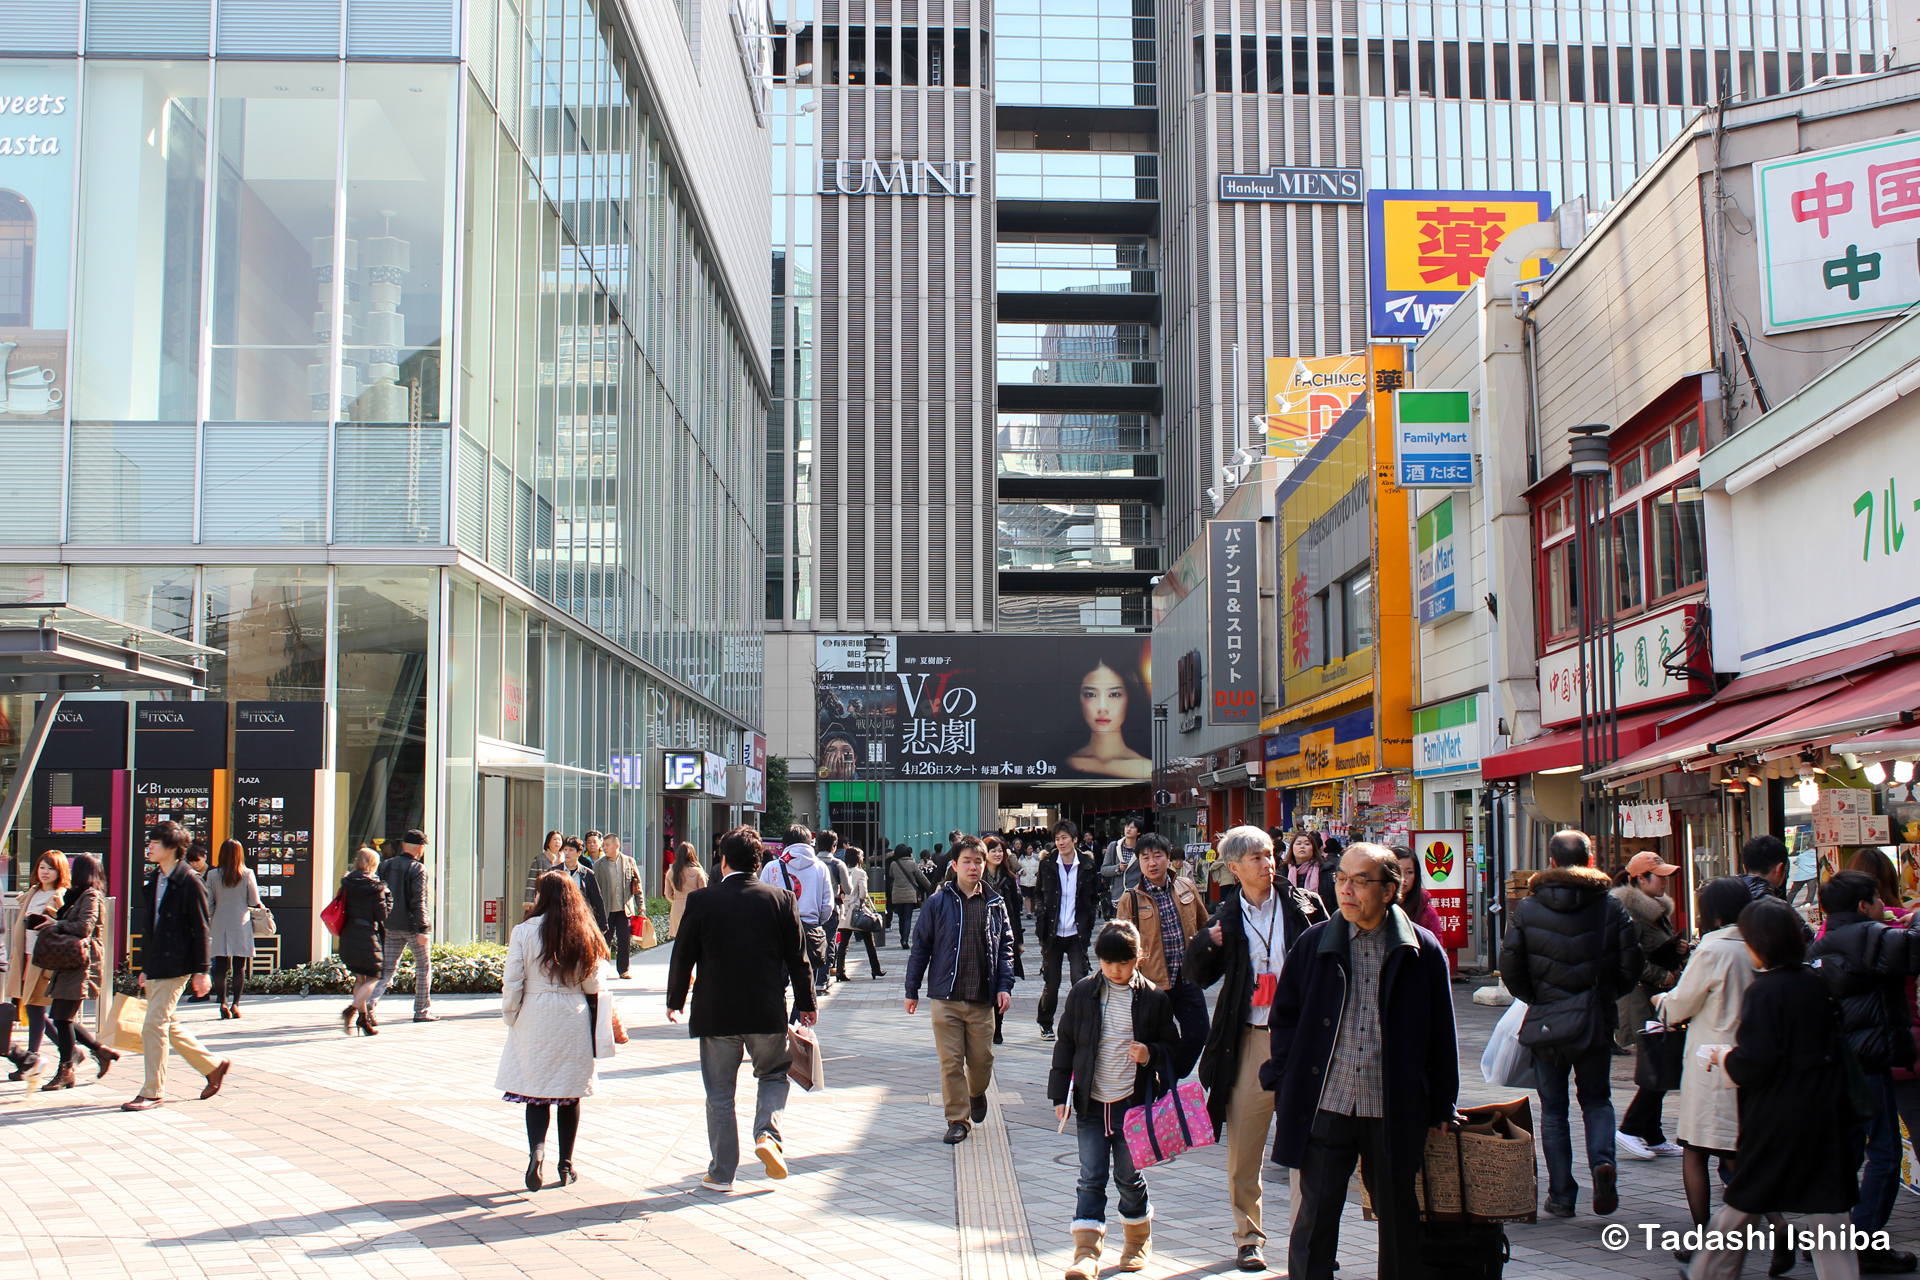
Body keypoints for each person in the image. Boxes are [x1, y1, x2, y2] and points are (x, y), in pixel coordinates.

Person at [1265, 843, 1461, 1280]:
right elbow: (1285, 1018)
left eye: (1359, 881)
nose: (1346, 891)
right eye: (1340, 879)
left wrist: (1442, 1102)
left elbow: (1441, 1033)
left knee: (1397, 1218)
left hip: (1390, 1104)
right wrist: (1282, 1077)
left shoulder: (1421, 949)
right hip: (1328, 1101)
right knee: (1314, 1220)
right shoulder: (1315, 942)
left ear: (1391, 889)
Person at [1691, 897, 1865, 1280]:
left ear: (1761, 943)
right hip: (1822, 1109)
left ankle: (1707, 1273)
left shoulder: (1764, 991)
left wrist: (1723, 1057)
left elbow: (1755, 1063)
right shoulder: (1816, 983)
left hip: (1776, 1115)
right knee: (1829, 1211)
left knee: (1743, 1201)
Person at [1184, 824, 1330, 1272]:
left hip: (1303, 1040)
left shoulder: (1305, 906)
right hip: (1249, 1037)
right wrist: (1205, 944)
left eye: (1271, 855)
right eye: (1257, 859)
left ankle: (1306, 1241)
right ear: (1234, 868)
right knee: (1245, 1146)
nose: (1268, 864)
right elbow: (1197, 976)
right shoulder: (1224, 916)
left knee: (1309, 1144)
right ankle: (1248, 1237)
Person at [1496, 828, 1643, 1218]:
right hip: (1593, 1019)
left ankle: (1561, 1195)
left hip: (1547, 1023)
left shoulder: (1528, 908)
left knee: (1554, 1110)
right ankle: (1601, 1163)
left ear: (1552, 862)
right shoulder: (1610, 906)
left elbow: (1510, 966)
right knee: (1596, 1099)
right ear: (1590, 861)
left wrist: (1538, 997)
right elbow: (1632, 963)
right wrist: (1606, 994)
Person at [668, 826, 817, 1192]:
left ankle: (721, 1174)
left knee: (720, 1094)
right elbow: (799, 959)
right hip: (766, 1010)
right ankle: (768, 1135)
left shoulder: (702, 901)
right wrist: (807, 1004)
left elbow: (682, 955)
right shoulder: (781, 899)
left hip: (715, 1014)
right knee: (772, 1075)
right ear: (759, 862)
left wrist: (675, 1001)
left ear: (722, 862)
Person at [1806, 868, 1920, 1273]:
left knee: (1847, 1152)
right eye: (1876, 901)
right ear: (1862, 905)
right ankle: (1862, 1242)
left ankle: (1829, 1237)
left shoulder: (1820, 944)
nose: (1882, 908)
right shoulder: (1873, 937)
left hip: (1833, 1063)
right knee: (1886, 1154)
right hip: (1868, 1062)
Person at [1050, 920, 1177, 1279]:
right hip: (1091, 1103)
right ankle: (1085, 1252)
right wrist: (1060, 1094)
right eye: (1109, 963)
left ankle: (1137, 1242)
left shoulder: (1153, 998)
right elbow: (1066, 1044)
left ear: (1139, 957)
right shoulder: (1083, 992)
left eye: (1124, 962)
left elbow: (1173, 1049)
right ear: (1099, 961)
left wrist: (1150, 1053)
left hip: (1132, 1105)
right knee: (1090, 1176)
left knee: (1128, 1176)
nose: (1116, 970)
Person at [1650, 877, 1766, 1264]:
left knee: (1696, 1149)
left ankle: (1704, 1235)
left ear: (1711, 912)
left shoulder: (1713, 951)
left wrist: (1661, 1000)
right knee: (1741, 1151)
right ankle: (1781, 1232)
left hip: (1711, 1063)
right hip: (1751, 1060)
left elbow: (1681, 1004)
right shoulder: (1757, 945)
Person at [498, 869, 615, 1191]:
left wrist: (511, 1015)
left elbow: (513, 981)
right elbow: (592, 984)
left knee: (536, 1092)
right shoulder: (583, 930)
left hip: (533, 1014)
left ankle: (537, 1152)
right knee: (569, 1093)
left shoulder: (523, 931)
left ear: (541, 895)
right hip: (571, 1014)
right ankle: (566, 1165)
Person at [906, 835, 1016, 1144]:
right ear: (954, 866)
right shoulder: (938, 902)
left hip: (982, 998)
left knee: (982, 1061)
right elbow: (921, 947)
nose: (972, 867)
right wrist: (911, 989)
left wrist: (1004, 986)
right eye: (966, 861)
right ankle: (957, 1119)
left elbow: (1006, 947)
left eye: (977, 861)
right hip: (946, 996)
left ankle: (976, 1091)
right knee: (950, 1063)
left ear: (985, 864)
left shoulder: (994, 902)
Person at [124, 821, 232, 1111]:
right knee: (167, 1023)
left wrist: (202, 970)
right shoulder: (154, 878)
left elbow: (201, 927)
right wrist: (145, 966)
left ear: (172, 848)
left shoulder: (190, 881)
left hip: (177, 963)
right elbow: (151, 927)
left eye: (155, 843)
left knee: (153, 1026)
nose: (149, 847)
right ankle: (213, 1066)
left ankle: (152, 1091)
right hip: (157, 962)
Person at [1113, 831, 1208, 1078]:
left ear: (1168, 857)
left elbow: (1203, 925)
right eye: (1145, 858)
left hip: (1187, 979)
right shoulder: (1130, 900)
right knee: (1163, 1041)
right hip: (1153, 986)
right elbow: (1122, 947)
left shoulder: (1186, 886)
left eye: (1157, 856)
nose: (1152, 863)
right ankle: (1164, 1094)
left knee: (1199, 1034)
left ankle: (1170, 1080)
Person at [1613, 850, 1687, 1159]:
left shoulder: (1654, 910)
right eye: (1660, 877)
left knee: (1660, 1063)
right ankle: (1629, 1128)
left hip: (1654, 997)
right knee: (1659, 1063)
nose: (1666, 883)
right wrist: (1663, 976)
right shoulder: (1630, 912)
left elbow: (1653, 951)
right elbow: (1628, 959)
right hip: (1641, 999)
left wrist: (1678, 950)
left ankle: (1653, 1135)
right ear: (1640, 879)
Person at [33, 853, 118, 1089]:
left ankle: (67, 1070)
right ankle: (99, 1050)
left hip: (82, 964)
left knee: (62, 1017)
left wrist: (55, 924)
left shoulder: (92, 895)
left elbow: (84, 927)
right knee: (61, 1017)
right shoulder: (79, 895)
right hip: (70, 963)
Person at [3, 848, 66, 1081]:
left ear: (60, 871)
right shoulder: (32, 892)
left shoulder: (61, 895)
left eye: (50, 868)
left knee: (35, 1007)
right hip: (25, 957)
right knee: (32, 1008)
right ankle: (72, 1051)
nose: (45, 872)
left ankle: (32, 1059)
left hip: (43, 960)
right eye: (42, 867)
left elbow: (65, 925)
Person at [1037, 820, 1099, 1042]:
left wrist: (1089, 921)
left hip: (1076, 933)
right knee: (1051, 983)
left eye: (1064, 838)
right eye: (1057, 838)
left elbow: (1093, 897)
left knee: (1079, 980)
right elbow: (1038, 894)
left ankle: (1080, 1022)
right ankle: (1045, 1023)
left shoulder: (1087, 865)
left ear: (1075, 839)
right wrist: (1040, 916)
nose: (1060, 842)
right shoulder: (1047, 864)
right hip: (1053, 933)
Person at [761, 824, 835, 994]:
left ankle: (779, 1016)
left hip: (780, 931)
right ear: (810, 842)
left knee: (776, 982)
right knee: (807, 981)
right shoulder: (820, 867)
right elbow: (828, 904)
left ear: (785, 844)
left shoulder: (772, 867)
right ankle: (803, 1015)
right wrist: (817, 922)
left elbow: (763, 903)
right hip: (810, 930)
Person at [369, 830, 435, 1023]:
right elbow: (419, 901)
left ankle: (371, 1002)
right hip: (414, 927)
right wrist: (423, 929)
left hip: (391, 926)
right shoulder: (418, 869)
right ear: (421, 849)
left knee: (387, 969)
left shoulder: (386, 865)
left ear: (404, 846)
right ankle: (421, 1011)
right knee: (423, 968)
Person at [1065, 658, 1151, 780]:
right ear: (1078, 699)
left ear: (1129, 698)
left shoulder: (1148, 769)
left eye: (1114, 694)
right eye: (1090, 694)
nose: (1102, 707)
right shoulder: (1067, 763)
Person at [206, 839, 262, 1020]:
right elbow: (253, 901)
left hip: (219, 924)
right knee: (239, 967)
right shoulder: (247, 874)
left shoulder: (213, 875)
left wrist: (213, 919)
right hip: (241, 924)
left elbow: (209, 904)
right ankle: (236, 1005)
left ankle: (222, 1001)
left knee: (220, 967)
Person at [339, 846, 391, 1036]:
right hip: (367, 935)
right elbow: (381, 914)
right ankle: (351, 1010)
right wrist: (388, 897)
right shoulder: (375, 886)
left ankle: (363, 1020)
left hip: (349, 934)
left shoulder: (347, 882)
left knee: (360, 978)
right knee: (373, 977)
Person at [981, 836, 1024, 1042]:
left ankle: (998, 1027)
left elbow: (1015, 910)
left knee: (1002, 982)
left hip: (1003, 937)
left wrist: (1019, 941)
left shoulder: (1008, 878)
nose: (998, 854)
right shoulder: (976, 877)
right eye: (993, 851)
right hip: (980, 936)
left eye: (1001, 851)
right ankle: (985, 1025)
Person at [833, 847, 887, 982]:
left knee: (843, 944)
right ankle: (875, 969)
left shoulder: (842, 869)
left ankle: (840, 971)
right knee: (869, 941)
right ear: (858, 858)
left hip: (844, 911)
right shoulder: (860, 873)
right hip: (857, 912)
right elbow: (863, 893)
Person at [593, 833, 642, 978]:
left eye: (607, 845)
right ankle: (603, 968)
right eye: (604, 845)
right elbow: (594, 888)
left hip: (624, 908)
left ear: (616, 845)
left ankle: (624, 970)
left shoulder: (629, 862)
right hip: (606, 909)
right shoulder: (599, 865)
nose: (604, 848)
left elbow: (637, 885)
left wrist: (641, 906)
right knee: (604, 940)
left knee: (624, 938)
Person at [816, 829, 851, 985]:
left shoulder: (810, 862)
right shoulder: (837, 864)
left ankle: (811, 978)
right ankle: (822, 980)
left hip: (811, 907)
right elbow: (848, 889)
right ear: (834, 846)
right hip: (832, 907)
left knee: (811, 942)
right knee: (829, 942)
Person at [558, 836, 608, 933]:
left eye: (571, 850)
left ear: (579, 853)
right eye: (565, 850)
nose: (567, 853)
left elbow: (596, 899)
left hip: (581, 918)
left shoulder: (588, 874)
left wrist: (602, 924)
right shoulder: (555, 872)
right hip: (559, 918)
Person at [887, 843, 932, 949]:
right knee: (907, 917)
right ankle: (905, 939)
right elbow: (921, 878)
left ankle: (902, 936)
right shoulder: (912, 863)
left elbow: (891, 875)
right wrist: (931, 888)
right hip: (909, 894)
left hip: (897, 894)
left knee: (900, 918)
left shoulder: (894, 864)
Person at [1394, 846, 1443, 938]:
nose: (1403, 878)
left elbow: (1436, 949)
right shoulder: (1377, 909)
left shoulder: (1427, 913)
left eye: (1409, 872)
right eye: (1398, 872)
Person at [665, 840, 708, 941]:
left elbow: (668, 894)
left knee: (679, 941)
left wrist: (676, 900)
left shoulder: (671, 872)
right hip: (695, 907)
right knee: (694, 940)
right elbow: (704, 893)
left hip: (677, 907)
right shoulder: (698, 871)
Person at [1283, 830, 1339, 905]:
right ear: (1292, 848)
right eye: (1298, 844)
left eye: (1307, 844)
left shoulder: (1326, 870)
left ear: (1313, 848)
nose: (1302, 847)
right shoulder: (1283, 871)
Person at [1102, 819, 1145, 902]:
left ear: (1138, 832)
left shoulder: (1143, 849)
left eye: (1132, 827)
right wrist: (1118, 868)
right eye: (1127, 826)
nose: (1128, 829)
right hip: (1117, 897)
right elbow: (1104, 870)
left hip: (1137, 897)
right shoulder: (1114, 846)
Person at [528, 830, 565, 908]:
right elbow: (532, 880)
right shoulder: (540, 859)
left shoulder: (565, 859)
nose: (557, 842)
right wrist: (529, 900)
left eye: (559, 839)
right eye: (554, 839)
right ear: (548, 842)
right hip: (544, 896)